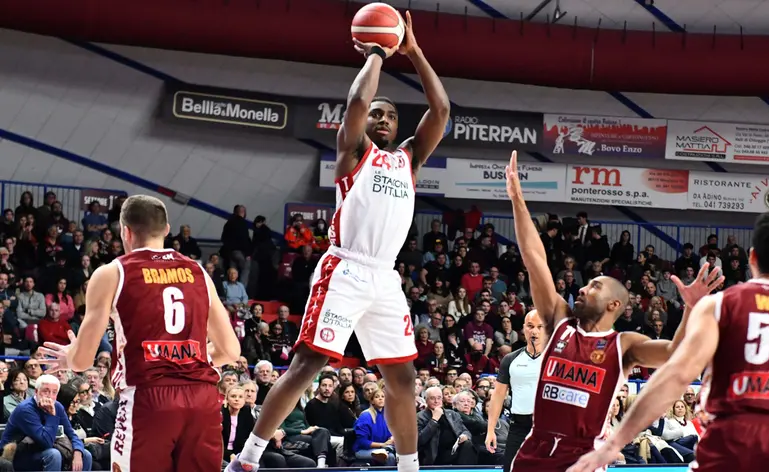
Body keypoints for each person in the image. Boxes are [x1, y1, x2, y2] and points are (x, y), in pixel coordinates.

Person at [227, 10, 449, 472]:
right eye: (377, 114)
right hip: (345, 268)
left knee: (403, 378)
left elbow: (442, 110)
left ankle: (409, 467)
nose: (383, 119)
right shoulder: (354, 152)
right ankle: (246, 459)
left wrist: (414, 53)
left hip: (385, 278)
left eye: (391, 115)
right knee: (307, 366)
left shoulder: (408, 159)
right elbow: (356, 102)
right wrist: (377, 53)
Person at [502, 150, 724, 472]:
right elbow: (533, 257)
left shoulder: (623, 345)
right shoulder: (560, 321)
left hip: (582, 456)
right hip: (534, 449)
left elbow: (676, 353)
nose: (582, 289)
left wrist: (691, 308)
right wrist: (517, 200)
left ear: (614, 304)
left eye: (594, 286)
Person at [569, 212, 769, 472]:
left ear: (752, 256)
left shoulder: (718, 306)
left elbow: (676, 375)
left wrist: (614, 443)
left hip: (731, 445)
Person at [37, 195, 241, 472]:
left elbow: (83, 361)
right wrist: (184, 360)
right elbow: (230, 350)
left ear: (125, 231)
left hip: (148, 397)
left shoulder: (112, 273)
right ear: (167, 229)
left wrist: (69, 357)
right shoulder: (199, 272)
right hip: (202, 399)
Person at [485, 310, 546, 472]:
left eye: (540, 327)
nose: (534, 331)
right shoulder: (510, 359)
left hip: (549, 427)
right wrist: (490, 430)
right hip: (519, 426)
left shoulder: (557, 358)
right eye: (530, 326)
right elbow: (498, 396)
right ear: (524, 328)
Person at [0, 374, 92, 471]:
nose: (50, 396)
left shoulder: (58, 406)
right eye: (46, 391)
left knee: (85, 455)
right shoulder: (25, 409)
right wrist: (51, 415)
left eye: (54, 392)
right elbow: (46, 442)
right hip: (16, 454)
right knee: (53, 454)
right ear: (36, 391)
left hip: (42, 449)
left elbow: (72, 434)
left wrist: (78, 452)